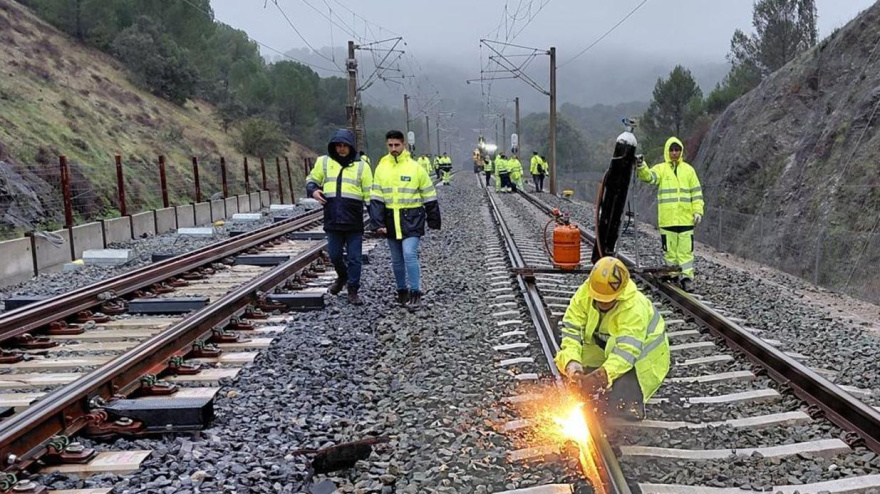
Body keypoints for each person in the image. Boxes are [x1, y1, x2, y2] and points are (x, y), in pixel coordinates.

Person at [554, 257, 669, 421]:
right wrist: (573, 365)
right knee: (576, 356)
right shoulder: (585, 294)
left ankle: (630, 401)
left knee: (620, 405)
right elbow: (571, 333)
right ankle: (599, 384)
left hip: (644, 360)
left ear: (619, 294)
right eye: (598, 298)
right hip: (609, 347)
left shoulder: (634, 307)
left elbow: (626, 352)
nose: (602, 302)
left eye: (607, 300)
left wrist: (600, 377)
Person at [369, 130, 441, 308]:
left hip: (412, 219)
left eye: (397, 145)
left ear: (404, 145)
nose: (394, 148)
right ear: (387, 145)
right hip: (390, 219)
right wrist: (377, 223)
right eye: (390, 145)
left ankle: (416, 292)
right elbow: (376, 196)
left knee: (409, 254)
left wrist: (433, 220)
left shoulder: (415, 168)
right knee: (396, 259)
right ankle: (402, 291)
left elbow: (429, 194)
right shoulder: (381, 167)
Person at [306, 129, 372, 305]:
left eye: (345, 146)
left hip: (353, 221)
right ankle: (342, 277)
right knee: (334, 255)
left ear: (351, 147)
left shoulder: (362, 166)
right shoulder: (324, 162)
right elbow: (311, 180)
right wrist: (313, 190)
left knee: (354, 258)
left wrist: (376, 219)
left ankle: (353, 290)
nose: (341, 149)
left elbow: (369, 195)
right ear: (334, 146)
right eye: (338, 145)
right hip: (333, 219)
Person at [636, 137, 704, 292]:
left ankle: (686, 278)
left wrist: (698, 211)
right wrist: (641, 166)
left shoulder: (689, 170)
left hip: (686, 219)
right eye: (671, 150)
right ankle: (672, 274)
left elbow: (697, 193)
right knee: (670, 251)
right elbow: (648, 177)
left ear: (680, 151)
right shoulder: (661, 169)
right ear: (668, 151)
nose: (674, 153)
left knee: (685, 251)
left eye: (677, 150)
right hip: (668, 220)